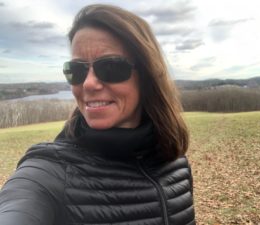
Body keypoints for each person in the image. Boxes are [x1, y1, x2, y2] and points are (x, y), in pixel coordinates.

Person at [0, 4, 195, 225]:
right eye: (76, 71)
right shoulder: (47, 173)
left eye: (111, 67)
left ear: (147, 74)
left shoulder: (176, 161)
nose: (89, 83)